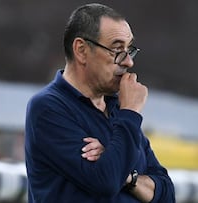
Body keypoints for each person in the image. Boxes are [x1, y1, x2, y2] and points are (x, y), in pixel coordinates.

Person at [25, 3, 175, 203]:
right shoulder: (48, 107)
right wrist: (131, 113)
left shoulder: (117, 108)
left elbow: (167, 194)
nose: (128, 62)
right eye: (117, 49)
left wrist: (129, 177)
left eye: (129, 50)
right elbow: (106, 181)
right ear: (81, 50)